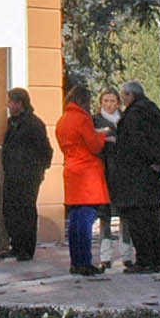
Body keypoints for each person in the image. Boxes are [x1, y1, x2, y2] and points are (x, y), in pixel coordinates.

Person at [109, 80, 160, 272]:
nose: (122, 100)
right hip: (155, 177)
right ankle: (159, 259)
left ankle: (145, 260)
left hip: (135, 177)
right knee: (155, 219)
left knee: (138, 221)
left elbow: (137, 144)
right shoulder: (156, 112)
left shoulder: (133, 115)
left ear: (131, 95)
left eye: (124, 96)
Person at [55, 84, 109, 276]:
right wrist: (102, 136)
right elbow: (94, 146)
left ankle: (75, 261)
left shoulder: (63, 120)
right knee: (86, 219)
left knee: (75, 219)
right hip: (87, 172)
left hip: (71, 170)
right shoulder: (82, 118)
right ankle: (85, 262)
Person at [0, 87, 53, 261]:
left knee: (26, 211)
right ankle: (15, 245)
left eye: (10, 102)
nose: (8, 105)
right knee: (10, 210)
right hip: (12, 175)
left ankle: (26, 249)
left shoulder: (33, 123)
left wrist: (38, 170)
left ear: (19, 103)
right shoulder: (12, 123)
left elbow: (46, 150)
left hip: (27, 176)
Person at [94, 88, 124, 266]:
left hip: (121, 173)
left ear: (118, 103)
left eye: (112, 101)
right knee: (104, 215)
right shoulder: (95, 120)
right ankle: (105, 256)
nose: (109, 104)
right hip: (103, 172)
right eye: (105, 101)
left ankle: (126, 253)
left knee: (124, 214)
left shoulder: (124, 120)